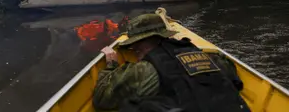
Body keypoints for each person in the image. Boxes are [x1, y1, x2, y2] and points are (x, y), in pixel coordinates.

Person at [92, 11, 250, 112]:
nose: (135, 52)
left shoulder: (144, 69)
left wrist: (111, 65)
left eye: (135, 48)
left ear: (139, 44)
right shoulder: (207, 57)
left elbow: (101, 99)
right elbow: (230, 70)